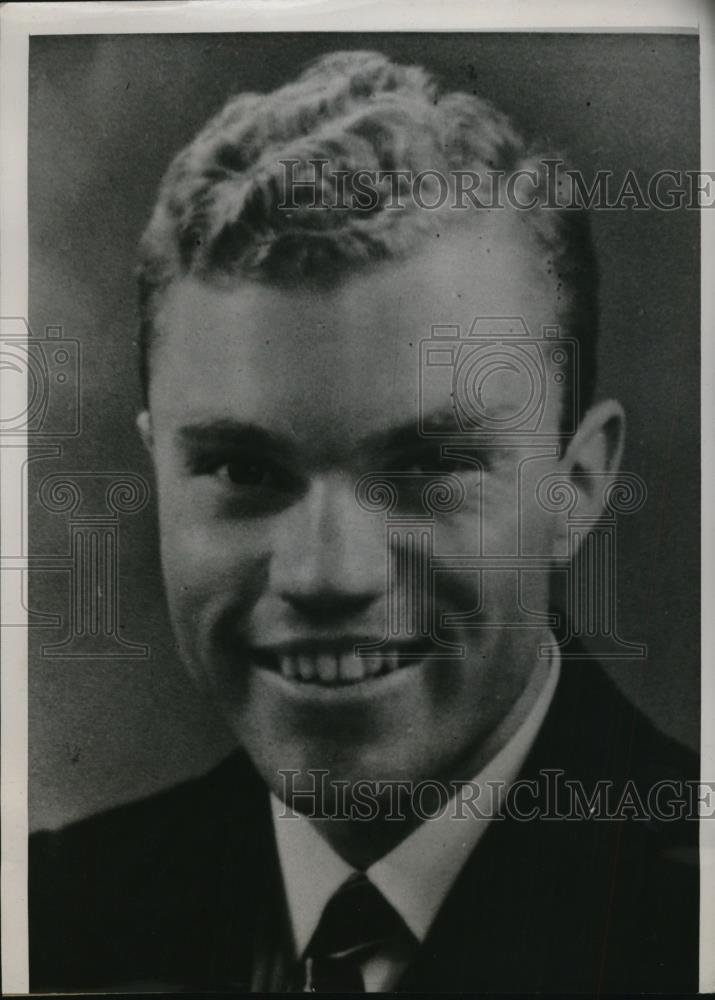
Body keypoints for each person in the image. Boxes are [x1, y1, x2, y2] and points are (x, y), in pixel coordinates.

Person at [29, 49, 698, 993]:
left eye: (428, 467)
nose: (325, 573)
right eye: (241, 469)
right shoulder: (51, 923)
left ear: (575, 489)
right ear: (158, 472)